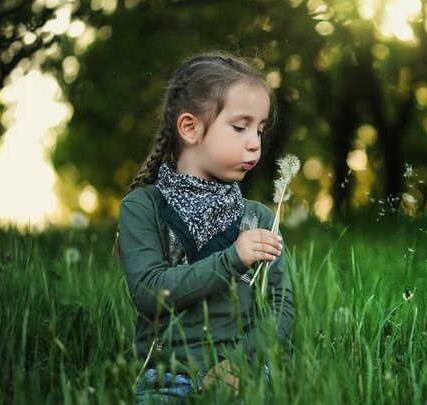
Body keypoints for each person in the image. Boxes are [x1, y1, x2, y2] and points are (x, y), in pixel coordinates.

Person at [114, 52, 294, 403]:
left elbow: (280, 305)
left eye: (259, 128)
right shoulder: (143, 207)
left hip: (245, 372)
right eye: (240, 127)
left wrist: (240, 364)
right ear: (190, 128)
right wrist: (233, 259)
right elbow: (150, 293)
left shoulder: (259, 217)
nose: (255, 142)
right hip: (166, 375)